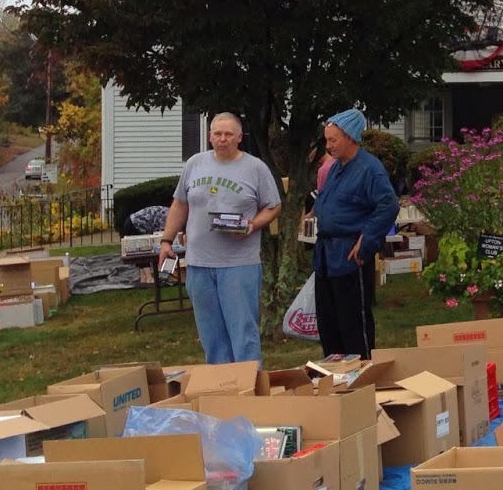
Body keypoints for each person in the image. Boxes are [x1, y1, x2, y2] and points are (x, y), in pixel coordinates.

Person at [159, 113, 281, 365]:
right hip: (199, 264)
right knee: (211, 335)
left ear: (239, 137)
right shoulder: (195, 164)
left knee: (243, 332)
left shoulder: (255, 167)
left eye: (228, 134)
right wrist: (166, 240)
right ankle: (221, 390)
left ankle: (249, 388)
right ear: (209, 136)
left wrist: (252, 224)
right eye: (217, 134)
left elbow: (273, 206)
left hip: (239, 264)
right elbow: (180, 204)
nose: (222, 139)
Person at [311, 109, 398, 358]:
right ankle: (334, 374)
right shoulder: (336, 168)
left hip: (350, 256)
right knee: (329, 322)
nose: (328, 146)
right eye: (326, 140)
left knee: (353, 323)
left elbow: (388, 205)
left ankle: (360, 374)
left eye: (333, 140)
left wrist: (367, 240)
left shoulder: (370, 169)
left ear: (350, 137)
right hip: (327, 256)